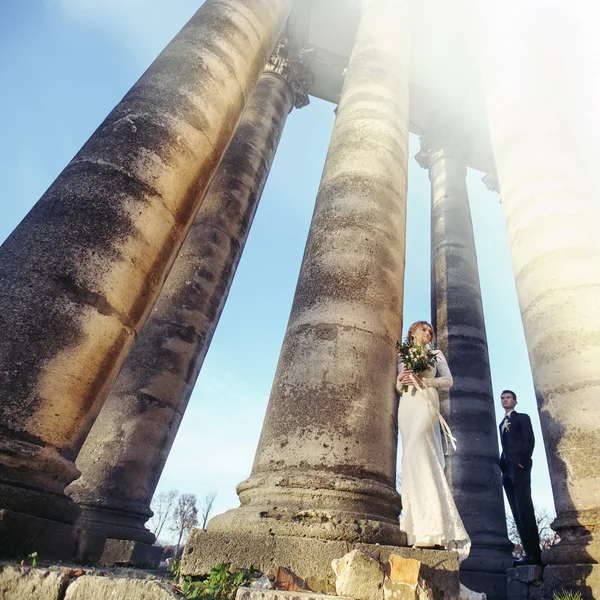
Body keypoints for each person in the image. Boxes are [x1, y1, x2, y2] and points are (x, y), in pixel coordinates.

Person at [396, 321, 471, 563]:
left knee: (420, 450)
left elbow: (448, 381)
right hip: (407, 404)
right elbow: (399, 387)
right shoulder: (404, 354)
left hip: (426, 402)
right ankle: (416, 529)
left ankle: (432, 529)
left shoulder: (435, 354)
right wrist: (402, 378)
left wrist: (425, 380)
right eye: (424, 329)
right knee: (409, 459)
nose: (428, 334)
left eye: (431, 331)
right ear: (413, 332)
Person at [498, 389, 542, 566]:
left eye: (508, 397)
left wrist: (522, 462)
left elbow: (529, 439)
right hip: (507, 470)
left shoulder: (522, 418)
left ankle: (534, 553)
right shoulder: (501, 423)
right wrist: (502, 464)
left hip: (519, 467)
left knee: (524, 508)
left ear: (515, 401)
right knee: (515, 510)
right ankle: (527, 552)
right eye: (502, 398)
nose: (505, 400)